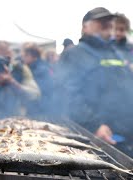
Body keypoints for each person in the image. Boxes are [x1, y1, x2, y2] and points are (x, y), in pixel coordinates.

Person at [57, 7, 133, 157]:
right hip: (100, 137)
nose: (108, 23)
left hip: (126, 133)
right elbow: (68, 95)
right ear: (85, 26)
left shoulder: (115, 52)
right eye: (100, 21)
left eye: (109, 20)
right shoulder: (74, 54)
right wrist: (94, 125)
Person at [21, 43, 54, 117]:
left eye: (26, 56)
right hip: (37, 106)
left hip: (41, 108)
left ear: (33, 56)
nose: (23, 58)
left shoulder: (41, 69)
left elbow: (39, 91)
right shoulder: (33, 67)